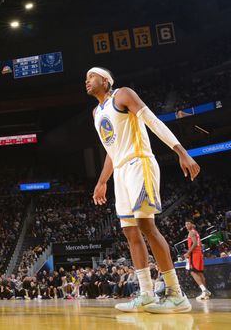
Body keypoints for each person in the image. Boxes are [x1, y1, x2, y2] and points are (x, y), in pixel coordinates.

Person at [87, 67, 200, 314]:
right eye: (86, 79)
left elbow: (152, 120)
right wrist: (102, 180)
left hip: (140, 163)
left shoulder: (123, 95)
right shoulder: (96, 112)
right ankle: (146, 294)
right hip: (120, 171)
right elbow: (111, 149)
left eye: (91, 76)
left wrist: (181, 151)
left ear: (105, 81)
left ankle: (176, 294)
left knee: (147, 226)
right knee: (129, 231)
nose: (87, 81)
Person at [184, 221, 211, 300]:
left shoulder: (191, 232)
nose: (186, 225)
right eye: (185, 224)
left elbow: (195, 243)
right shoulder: (196, 232)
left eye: (188, 223)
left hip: (194, 254)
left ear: (192, 224)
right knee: (199, 273)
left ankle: (204, 290)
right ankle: (205, 293)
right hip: (198, 253)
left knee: (193, 272)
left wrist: (188, 253)